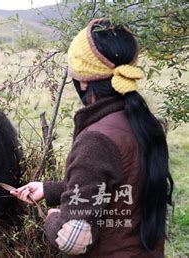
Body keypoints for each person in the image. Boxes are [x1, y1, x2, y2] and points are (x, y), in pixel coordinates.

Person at [11, 18, 173, 257]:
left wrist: (53, 219)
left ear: (84, 81)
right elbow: (115, 188)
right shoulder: (143, 122)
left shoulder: (97, 139)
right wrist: (49, 189)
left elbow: (73, 239)